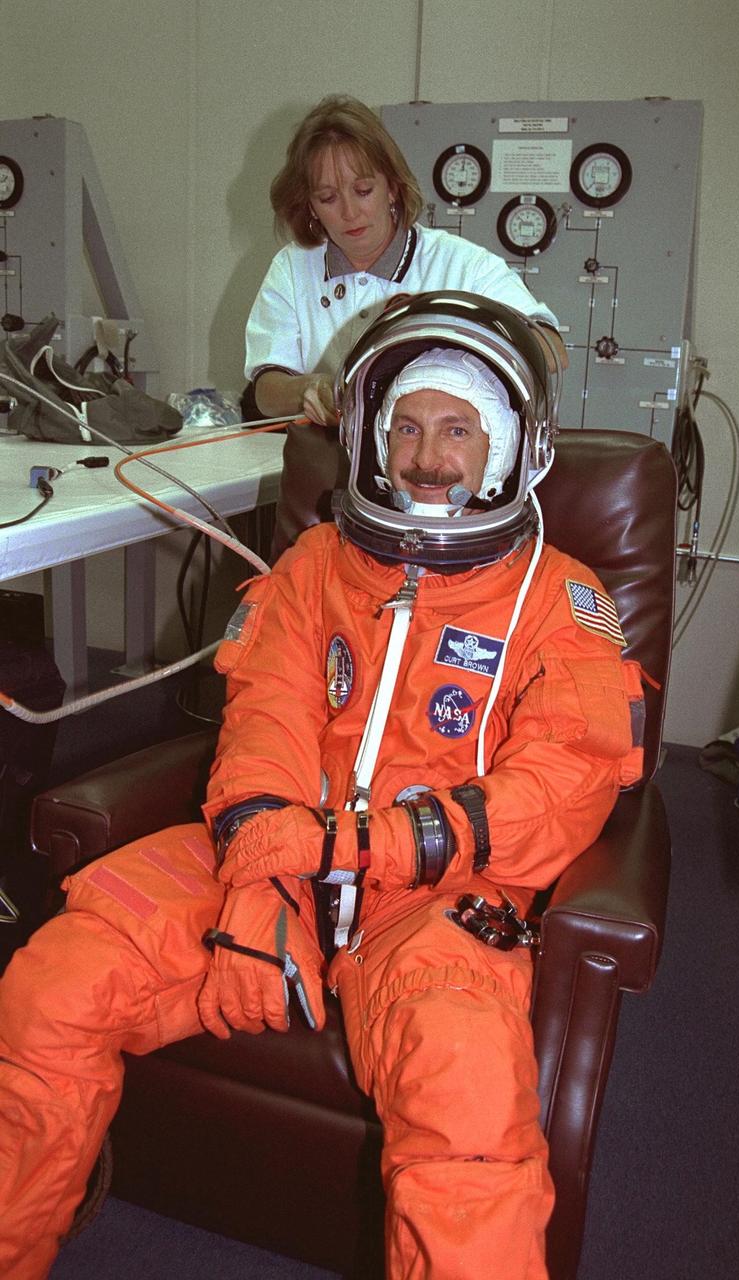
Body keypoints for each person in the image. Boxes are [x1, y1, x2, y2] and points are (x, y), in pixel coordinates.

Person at [0, 293, 643, 1280]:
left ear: (512, 449)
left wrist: (361, 845)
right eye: (408, 427)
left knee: (467, 1124)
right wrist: (260, 879)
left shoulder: (562, 599)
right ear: (375, 444)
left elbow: (562, 788)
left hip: (435, 899)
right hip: (276, 851)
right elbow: (265, 721)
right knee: (49, 989)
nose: (429, 456)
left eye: (459, 429)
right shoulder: (314, 565)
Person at [245, 94, 566, 426]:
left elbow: (552, 350)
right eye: (328, 198)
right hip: (327, 450)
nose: (349, 212)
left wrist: (450, 352)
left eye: (363, 191)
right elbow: (266, 391)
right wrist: (309, 389)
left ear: (392, 187)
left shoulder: (462, 265)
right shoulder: (293, 268)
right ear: (310, 206)